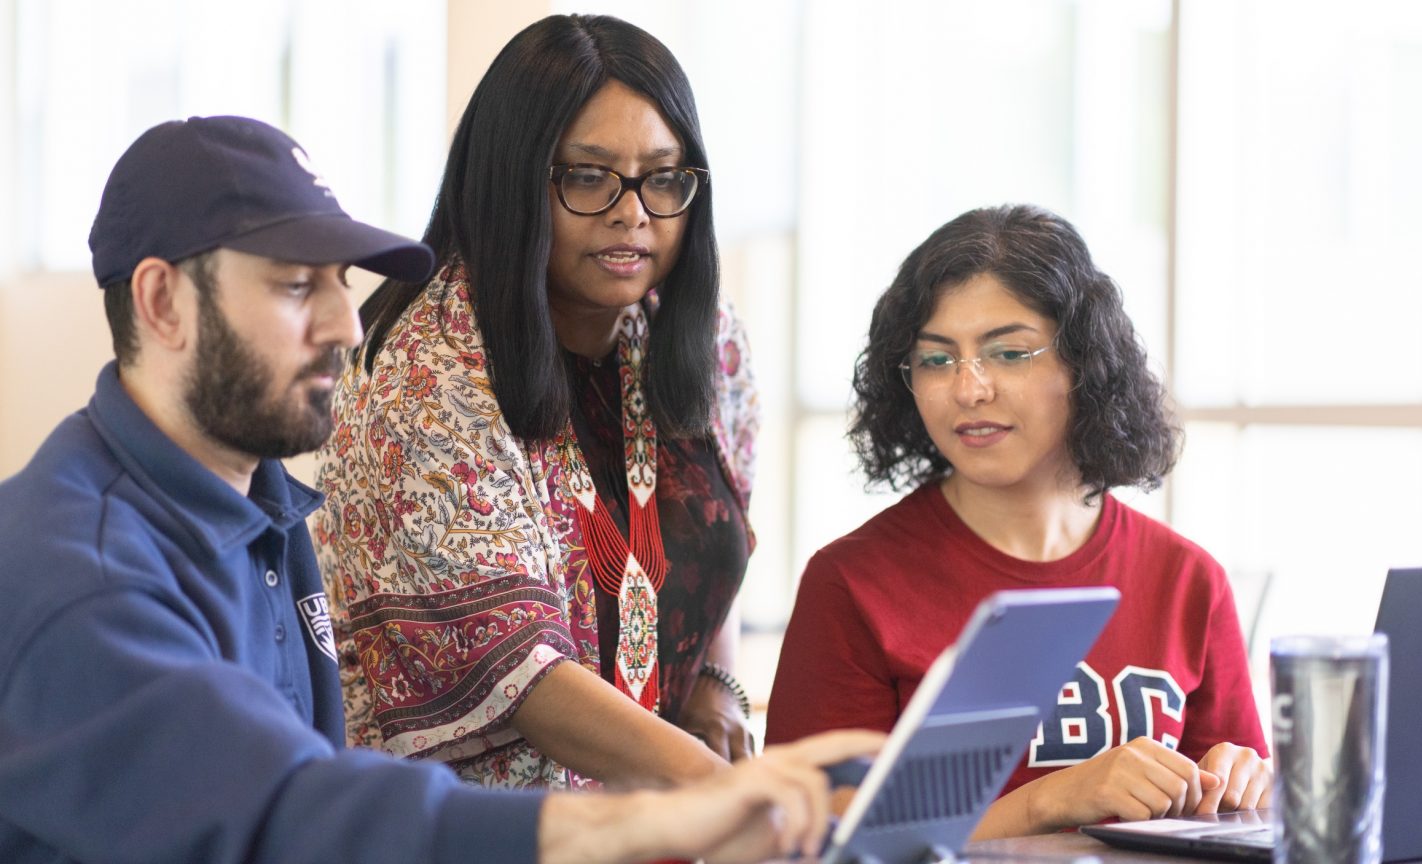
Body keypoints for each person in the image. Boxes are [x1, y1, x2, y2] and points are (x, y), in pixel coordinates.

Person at [0, 114, 881, 864]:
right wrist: (655, 814)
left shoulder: (258, 502)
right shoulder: (85, 576)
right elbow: (289, 807)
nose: (346, 324)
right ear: (162, 303)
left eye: (340, 283)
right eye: (295, 284)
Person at [311, 13, 755, 791]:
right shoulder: (423, 375)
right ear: (513, 178)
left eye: (663, 176)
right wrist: (726, 792)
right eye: (588, 176)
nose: (633, 212)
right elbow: (524, 676)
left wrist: (721, 683)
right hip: (475, 835)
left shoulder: (704, 340)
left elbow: (718, 539)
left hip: (659, 822)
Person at [766, 204, 1271, 837]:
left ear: (1083, 364)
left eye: (1008, 353)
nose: (970, 389)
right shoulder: (853, 583)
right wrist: (1049, 800)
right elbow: (813, 846)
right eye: (936, 359)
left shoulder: (1187, 578)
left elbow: (1233, 818)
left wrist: (1243, 783)